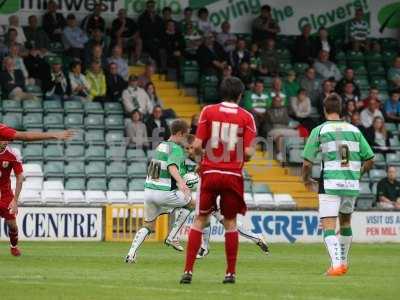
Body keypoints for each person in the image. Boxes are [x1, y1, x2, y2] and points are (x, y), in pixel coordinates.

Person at [180, 77, 257, 284]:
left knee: (200, 220)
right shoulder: (247, 117)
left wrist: (203, 158)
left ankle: (188, 271)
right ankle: (230, 273)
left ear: (220, 92)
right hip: (232, 175)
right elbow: (249, 152)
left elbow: (196, 146)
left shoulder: (208, 111)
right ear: (240, 95)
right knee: (230, 223)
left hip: (210, 173)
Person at [302, 93, 374, 276]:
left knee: (328, 226)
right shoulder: (355, 131)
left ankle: (336, 266)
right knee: (345, 223)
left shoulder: (319, 130)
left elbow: (307, 162)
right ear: (341, 110)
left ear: (325, 110)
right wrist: (357, 174)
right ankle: (343, 263)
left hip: (330, 183)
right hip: (350, 183)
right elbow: (370, 158)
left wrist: (306, 179)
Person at [125, 120, 196, 263]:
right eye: (185, 135)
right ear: (180, 133)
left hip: (149, 191)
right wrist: (182, 183)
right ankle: (172, 237)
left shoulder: (161, 146)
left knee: (148, 225)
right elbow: (172, 167)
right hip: (163, 192)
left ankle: (131, 254)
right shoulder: (176, 149)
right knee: (191, 204)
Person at [0, 141, 23, 256]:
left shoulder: (12, 154)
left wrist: (15, 200)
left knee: (12, 225)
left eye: (6, 139)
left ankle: (13, 246)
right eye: (2, 139)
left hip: (5, 196)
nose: (4, 142)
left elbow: (20, 178)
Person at [266, 96, 299, 161]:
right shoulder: (269, 110)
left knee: (298, 133)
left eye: (279, 101)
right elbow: (273, 120)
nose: (278, 102)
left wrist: (282, 121)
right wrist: (282, 121)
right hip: (274, 128)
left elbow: (286, 120)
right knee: (280, 136)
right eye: (276, 101)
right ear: (273, 102)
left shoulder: (285, 109)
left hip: (286, 128)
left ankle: (297, 155)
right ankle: (279, 153)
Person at [138, 0, 164, 65]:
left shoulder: (158, 18)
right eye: (149, 6)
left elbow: (161, 30)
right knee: (153, 46)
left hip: (157, 39)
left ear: (154, 7)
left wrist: (154, 20)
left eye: (152, 6)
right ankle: (157, 65)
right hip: (146, 39)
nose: (150, 8)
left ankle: (156, 65)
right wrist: (151, 22)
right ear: (146, 7)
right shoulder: (142, 17)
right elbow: (142, 30)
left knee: (158, 44)